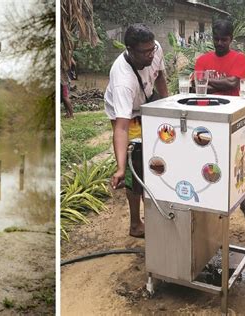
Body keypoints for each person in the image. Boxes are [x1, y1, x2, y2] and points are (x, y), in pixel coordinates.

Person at [104, 24, 168, 238]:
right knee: (136, 162)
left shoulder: (155, 49)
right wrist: (120, 167)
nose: (151, 55)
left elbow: (159, 75)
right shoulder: (123, 81)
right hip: (128, 114)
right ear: (129, 49)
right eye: (144, 52)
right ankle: (135, 223)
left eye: (152, 49)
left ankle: (155, 214)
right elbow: (121, 128)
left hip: (147, 103)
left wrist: (167, 105)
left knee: (162, 150)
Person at [194, 19, 245, 218]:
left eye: (224, 40)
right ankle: (210, 200)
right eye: (216, 39)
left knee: (237, 159)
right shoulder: (202, 59)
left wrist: (207, 82)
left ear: (231, 39)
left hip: (231, 116)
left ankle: (243, 199)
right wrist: (222, 83)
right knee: (208, 158)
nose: (219, 43)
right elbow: (196, 86)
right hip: (206, 115)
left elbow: (233, 82)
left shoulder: (239, 58)